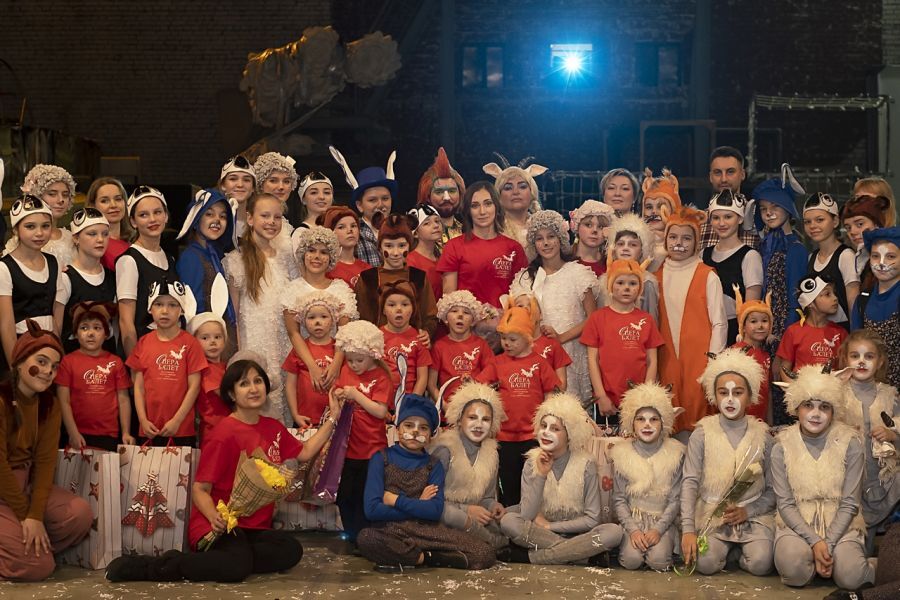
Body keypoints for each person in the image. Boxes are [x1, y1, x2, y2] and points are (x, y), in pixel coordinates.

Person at [104, 358, 340, 583]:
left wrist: (333, 417)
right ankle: (157, 566)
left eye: (258, 381)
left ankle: (232, 559)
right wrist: (214, 517)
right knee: (236, 566)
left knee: (290, 550)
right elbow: (200, 490)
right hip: (218, 524)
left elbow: (305, 451)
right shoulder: (224, 433)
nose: (253, 388)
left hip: (252, 528)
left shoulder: (273, 427)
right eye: (244, 383)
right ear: (231, 394)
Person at [357, 393, 497, 572]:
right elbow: (372, 510)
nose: (415, 432)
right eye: (409, 425)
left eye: (423, 428)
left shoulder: (433, 465)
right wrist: (419, 504)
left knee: (484, 553)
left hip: (426, 530)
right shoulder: (381, 458)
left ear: (431, 435)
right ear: (398, 429)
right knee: (366, 538)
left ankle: (418, 556)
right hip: (390, 529)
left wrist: (395, 500)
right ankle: (428, 558)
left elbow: (434, 511)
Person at [0, 321, 92, 581]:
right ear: (19, 362)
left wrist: (35, 515)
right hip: (3, 487)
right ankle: (27, 551)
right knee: (38, 567)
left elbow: (45, 464)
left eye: (54, 367)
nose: (48, 371)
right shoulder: (2, 399)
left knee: (80, 514)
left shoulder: (50, 405)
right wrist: (26, 516)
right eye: (41, 362)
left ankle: (29, 546)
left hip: (25, 484)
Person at [771, 365, 874, 590]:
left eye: (824, 407)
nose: (816, 414)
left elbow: (850, 503)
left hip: (841, 521)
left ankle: (862, 564)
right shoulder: (781, 446)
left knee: (852, 578)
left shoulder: (850, 443)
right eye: (808, 405)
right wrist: (815, 541)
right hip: (797, 522)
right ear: (796, 407)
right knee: (795, 571)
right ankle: (815, 562)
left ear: (834, 410)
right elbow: (785, 504)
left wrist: (828, 543)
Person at [498, 392, 624, 565]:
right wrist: (541, 475)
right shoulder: (531, 463)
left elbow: (592, 519)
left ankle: (532, 557)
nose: (546, 433)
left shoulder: (586, 464)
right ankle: (583, 556)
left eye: (555, 429)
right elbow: (526, 515)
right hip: (540, 535)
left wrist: (550, 526)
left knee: (613, 533)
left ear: (570, 434)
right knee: (509, 521)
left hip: (579, 535)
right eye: (543, 426)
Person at [681, 348, 775, 577]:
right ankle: (725, 550)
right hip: (713, 516)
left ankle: (739, 554)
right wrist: (688, 529)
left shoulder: (763, 436)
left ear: (750, 395)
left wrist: (749, 510)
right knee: (705, 564)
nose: (730, 399)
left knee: (761, 564)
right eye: (723, 392)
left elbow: (773, 490)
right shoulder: (702, 434)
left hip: (753, 517)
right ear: (714, 395)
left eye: (738, 392)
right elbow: (689, 482)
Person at [224, 193, 298, 424]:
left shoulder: (287, 259)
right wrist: (240, 356)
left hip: (284, 344)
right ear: (250, 218)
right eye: (265, 216)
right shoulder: (237, 261)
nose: (271, 222)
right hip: (254, 344)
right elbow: (235, 317)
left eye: (277, 217)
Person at [475, 306, 560, 506]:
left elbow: (551, 392)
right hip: (504, 436)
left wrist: (546, 423)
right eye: (503, 338)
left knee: (535, 482)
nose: (506, 343)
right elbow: (480, 387)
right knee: (508, 482)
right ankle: (509, 519)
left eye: (513, 339)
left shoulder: (539, 363)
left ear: (528, 338)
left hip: (533, 435)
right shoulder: (497, 362)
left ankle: (531, 519)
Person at [509, 210, 597, 403]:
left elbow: (593, 318)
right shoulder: (525, 278)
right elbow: (519, 319)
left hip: (571, 351)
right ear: (533, 244)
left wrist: (561, 338)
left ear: (561, 239)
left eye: (551, 236)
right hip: (536, 355)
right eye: (539, 239)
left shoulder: (578, 273)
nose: (546, 243)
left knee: (570, 407)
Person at [655, 205, 727, 436]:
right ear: (665, 239)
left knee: (699, 420)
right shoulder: (654, 277)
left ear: (696, 242)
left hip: (699, 358)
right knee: (668, 418)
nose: (679, 243)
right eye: (673, 237)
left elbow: (719, 322)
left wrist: (712, 363)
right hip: (665, 358)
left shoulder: (707, 275)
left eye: (686, 238)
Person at [836, 329, 900, 545]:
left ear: (880, 362)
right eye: (855, 356)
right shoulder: (835, 394)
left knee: (870, 542)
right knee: (853, 543)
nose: (861, 362)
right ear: (845, 360)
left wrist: (892, 434)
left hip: (880, 479)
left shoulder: (890, 396)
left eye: (869, 356)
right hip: (845, 480)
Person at [611, 382, 684, 571]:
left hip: (662, 520)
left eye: (654, 419)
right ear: (632, 423)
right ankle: (630, 544)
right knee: (631, 561)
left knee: (659, 562)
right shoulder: (622, 455)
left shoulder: (675, 454)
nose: (647, 425)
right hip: (633, 520)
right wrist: (633, 530)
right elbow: (619, 499)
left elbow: (675, 499)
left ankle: (665, 545)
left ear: (663, 422)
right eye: (641, 419)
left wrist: (658, 530)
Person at [126, 278, 206, 447]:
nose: (165, 311)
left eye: (172, 305)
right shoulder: (143, 343)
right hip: (149, 429)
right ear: (150, 309)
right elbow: (138, 387)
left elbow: (194, 386)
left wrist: (177, 420)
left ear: (181, 310)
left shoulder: (190, 344)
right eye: (158, 304)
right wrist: (142, 420)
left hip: (181, 429)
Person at [332, 320, 393, 543]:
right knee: (345, 496)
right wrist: (337, 398)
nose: (354, 365)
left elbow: (380, 411)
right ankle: (353, 536)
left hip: (372, 450)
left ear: (373, 355)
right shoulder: (345, 370)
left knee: (366, 497)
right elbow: (337, 393)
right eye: (349, 360)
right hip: (348, 448)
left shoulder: (382, 377)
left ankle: (367, 538)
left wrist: (356, 395)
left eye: (359, 360)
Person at [581, 259, 663, 422]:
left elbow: (652, 360)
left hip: (638, 400)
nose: (626, 288)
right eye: (620, 282)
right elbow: (592, 360)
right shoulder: (598, 318)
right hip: (607, 400)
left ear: (639, 288)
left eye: (633, 283)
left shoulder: (646, 320)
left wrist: (645, 395)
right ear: (610, 286)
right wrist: (601, 396)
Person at [430, 381, 509, 549]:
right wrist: (466, 510)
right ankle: (494, 543)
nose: (479, 425)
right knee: (453, 516)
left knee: (511, 519)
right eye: (472, 417)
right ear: (459, 420)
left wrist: (493, 506)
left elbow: (486, 497)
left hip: (475, 517)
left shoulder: (492, 453)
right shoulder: (445, 450)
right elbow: (430, 500)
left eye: (485, 419)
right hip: (446, 514)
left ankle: (486, 542)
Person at [282, 225, 357, 398]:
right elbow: (293, 333)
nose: (317, 256)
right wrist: (312, 366)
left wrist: (336, 363)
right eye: (311, 250)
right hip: (302, 364)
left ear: (331, 257)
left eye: (324, 252)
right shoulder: (292, 289)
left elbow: (344, 332)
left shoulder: (340, 289)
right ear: (303, 254)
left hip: (335, 361)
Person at [438, 181, 528, 309]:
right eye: (475, 206)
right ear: (468, 211)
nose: (482, 211)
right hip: (466, 320)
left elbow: (522, 295)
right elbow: (448, 300)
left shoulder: (514, 248)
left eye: (488, 204)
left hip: (506, 320)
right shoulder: (454, 246)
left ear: (497, 206)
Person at [55, 302, 132, 451]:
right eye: (84, 328)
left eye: (97, 328)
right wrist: (72, 432)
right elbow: (63, 401)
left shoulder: (115, 362)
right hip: (78, 435)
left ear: (106, 333)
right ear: (75, 333)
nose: (90, 333)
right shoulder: (67, 362)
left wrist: (126, 432)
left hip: (109, 435)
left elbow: (123, 400)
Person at [0, 196, 63, 366]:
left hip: (49, 347)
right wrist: (15, 366)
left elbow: (54, 313)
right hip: (22, 348)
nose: (39, 233)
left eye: (45, 226)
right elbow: (6, 325)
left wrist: (58, 351)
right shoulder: (4, 268)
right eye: (30, 226)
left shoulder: (53, 262)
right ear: (16, 229)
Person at [116, 186, 178, 356]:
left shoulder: (170, 259)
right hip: (143, 354)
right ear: (133, 222)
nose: (152, 219)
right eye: (143, 215)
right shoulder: (129, 260)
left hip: (167, 354)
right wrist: (135, 365)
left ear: (166, 216)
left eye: (157, 212)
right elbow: (126, 322)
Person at [353, 213, 437, 338]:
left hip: (412, 344)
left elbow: (430, 316)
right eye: (389, 246)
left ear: (410, 246)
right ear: (380, 248)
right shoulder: (368, 278)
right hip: (378, 345)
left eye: (402, 245)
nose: (396, 252)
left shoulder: (418, 277)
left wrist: (427, 332)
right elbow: (361, 319)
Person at [175, 188, 237, 357]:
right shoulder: (191, 257)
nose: (217, 220)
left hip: (218, 336)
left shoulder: (214, 254)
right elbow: (193, 306)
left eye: (223, 216)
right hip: (205, 342)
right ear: (196, 220)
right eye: (209, 214)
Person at [752, 166, 808, 341]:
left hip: (783, 332)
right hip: (762, 328)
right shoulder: (764, 246)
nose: (769, 213)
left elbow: (795, 301)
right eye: (763, 208)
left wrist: (784, 337)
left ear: (787, 207)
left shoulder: (796, 249)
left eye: (775, 206)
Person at [702, 189, 763, 346]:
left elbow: (752, 309)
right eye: (716, 217)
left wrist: (746, 341)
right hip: (706, 330)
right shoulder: (703, 255)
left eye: (728, 217)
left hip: (736, 334)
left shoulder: (750, 256)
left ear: (740, 218)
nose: (721, 223)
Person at [53, 208, 117, 355]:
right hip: (74, 358)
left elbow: (115, 328)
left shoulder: (112, 277)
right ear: (76, 238)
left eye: (105, 234)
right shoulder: (66, 278)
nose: (100, 239)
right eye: (92, 234)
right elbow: (57, 329)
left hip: (106, 359)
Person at [329, 146, 396, 267]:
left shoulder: (400, 229)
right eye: (372, 200)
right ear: (359, 205)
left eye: (385, 198)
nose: (380, 205)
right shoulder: (353, 234)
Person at [282, 291, 340, 429]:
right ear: (303, 321)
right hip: (306, 420)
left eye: (324, 316)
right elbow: (290, 386)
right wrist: (295, 414)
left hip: (336, 419)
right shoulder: (299, 350)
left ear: (333, 320)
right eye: (311, 317)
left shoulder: (339, 350)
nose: (317, 322)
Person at [851, 228, 900, 390]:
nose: (881, 263)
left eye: (891, 256)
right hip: (872, 390)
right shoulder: (862, 300)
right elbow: (855, 348)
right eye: (875, 256)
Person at [776, 276, 847, 383]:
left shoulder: (841, 333)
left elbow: (844, 369)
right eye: (827, 294)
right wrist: (796, 390)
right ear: (810, 303)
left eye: (834, 293)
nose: (835, 298)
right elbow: (784, 369)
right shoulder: (793, 331)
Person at [804, 192, 859, 328]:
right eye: (807, 222)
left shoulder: (846, 256)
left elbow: (853, 303)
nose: (812, 226)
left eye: (819, 220)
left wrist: (855, 335)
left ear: (835, 222)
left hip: (843, 334)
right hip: (820, 335)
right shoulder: (811, 258)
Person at [186, 275, 231, 441]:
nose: (212, 342)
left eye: (217, 337)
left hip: (230, 429)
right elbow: (227, 396)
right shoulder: (205, 370)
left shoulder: (226, 366)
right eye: (205, 338)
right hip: (214, 432)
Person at [427, 290, 493, 402]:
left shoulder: (481, 344)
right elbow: (431, 385)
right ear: (446, 317)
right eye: (454, 311)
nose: (460, 315)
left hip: (476, 404)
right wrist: (444, 406)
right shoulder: (439, 346)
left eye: (466, 312)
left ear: (473, 320)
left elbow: (491, 371)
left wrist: (475, 382)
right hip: (449, 405)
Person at [9, 164, 77, 268]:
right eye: (52, 194)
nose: (61, 200)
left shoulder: (71, 238)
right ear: (36, 196)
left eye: (65, 194)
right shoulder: (24, 241)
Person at [699, 146, 761, 250]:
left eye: (730, 172)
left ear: (742, 174)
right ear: (710, 177)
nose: (724, 179)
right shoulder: (699, 222)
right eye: (717, 172)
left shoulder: (761, 219)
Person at [482, 155, 548, 248]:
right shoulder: (490, 230)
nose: (516, 192)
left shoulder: (545, 227)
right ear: (498, 195)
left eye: (522, 187)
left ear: (531, 192)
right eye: (508, 188)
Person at [379, 281, 432, 395]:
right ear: (383, 310)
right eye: (392, 305)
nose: (398, 309)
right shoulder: (376, 337)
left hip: (409, 398)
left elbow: (422, 378)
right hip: (380, 398)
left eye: (405, 304)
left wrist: (411, 402)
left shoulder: (420, 338)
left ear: (413, 309)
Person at [731, 288, 775, 423]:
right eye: (754, 321)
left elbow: (767, 392)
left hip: (760, 423)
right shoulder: (735, 353)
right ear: (743, 327)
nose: (760, 326)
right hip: (739, 422)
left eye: (764, 321)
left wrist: (769, 423)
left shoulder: (766, 355)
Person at [604, 212, 659, 321]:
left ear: (642, 250)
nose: (625, 248)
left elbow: (651, 321)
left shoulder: (646, 282)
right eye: (620, 244)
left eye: (633, 244)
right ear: (613, 248)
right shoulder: (605, 279)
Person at [417, 147, 465, 248]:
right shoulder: (417, 236)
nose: (446, 197)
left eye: (452, 191)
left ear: (460, 194)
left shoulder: (469, 232)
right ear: (428, 196)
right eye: (439, 192)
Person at [841, 194, 887, 293]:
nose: (852, 232)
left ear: (877, 224)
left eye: (860, 224)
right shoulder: (863, 260)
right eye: (848, 228)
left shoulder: (891, 257)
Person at [85, 177, 132, 270]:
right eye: (104, 201)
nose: (113, 205)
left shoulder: (135, 241)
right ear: (93, 206)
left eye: (118, 199)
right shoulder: (91, 245)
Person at [640, 168, 682, 272]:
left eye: (661, 206)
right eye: (649, 207)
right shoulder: (634, 242)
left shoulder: (685, 242)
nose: (654, 212)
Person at [321, 205, 371, 289]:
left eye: (353, 226)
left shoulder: (367, 269)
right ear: (330, 233)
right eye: (341, 227)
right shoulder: (326, 270)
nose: (350, 230)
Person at [406, 203, 444, 300]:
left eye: (437, 221)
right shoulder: (410, 261)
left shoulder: (442, 257)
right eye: (427, 223)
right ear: (415, 233)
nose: (435, 226)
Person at [569, 199, 616, 277]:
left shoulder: (611, 264)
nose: (594, 230)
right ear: (577, 227)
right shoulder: (563, 260)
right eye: (588, 225)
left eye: (601, 227)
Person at [218, 155, 256, 239]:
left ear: (253, 187)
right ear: (223, 185)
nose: (240, 185)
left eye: (246, 180)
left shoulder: (259, 224)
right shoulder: (215, 222)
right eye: (233, 179)